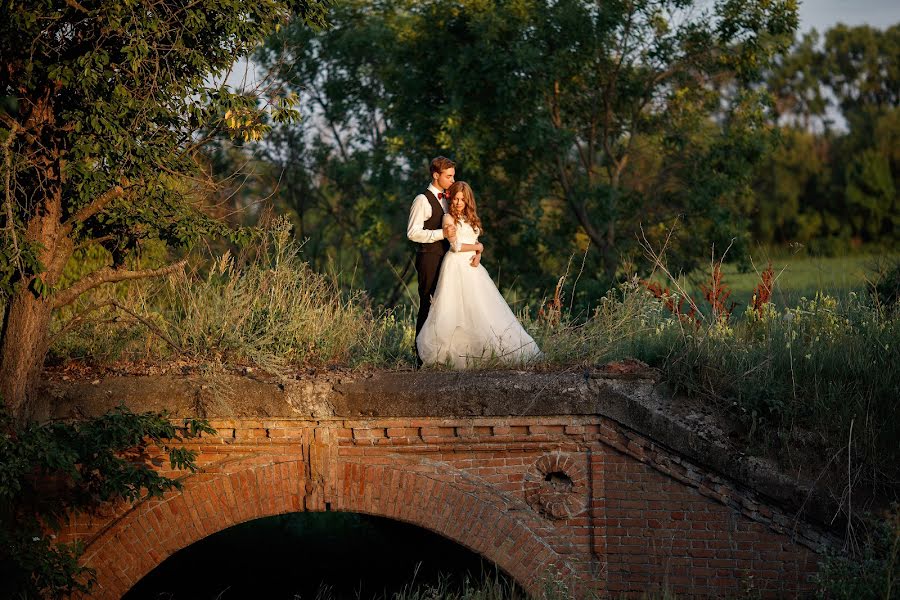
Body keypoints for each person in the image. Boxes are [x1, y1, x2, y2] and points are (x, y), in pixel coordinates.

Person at [416, 181, 541, 368]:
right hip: (456, 265)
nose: (459, 202)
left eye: (462, 200)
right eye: (456, 199)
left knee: (481, 307)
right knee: (456, 307)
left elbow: (473, 240)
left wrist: (479, 253)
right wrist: (478, 247)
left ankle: (486, 348)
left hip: (472, 267)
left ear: (468, 201)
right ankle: (453, 353)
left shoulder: (470, 218)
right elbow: (456, 246)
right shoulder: (448, 218)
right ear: (451, 199)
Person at [407, 156, 456, 367]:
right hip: (428, 257)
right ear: (436, 175)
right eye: (449, 176)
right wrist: (441, 234)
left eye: (453, 176)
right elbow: (412, 233)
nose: (452, 180)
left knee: (444, 305)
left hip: (446, 258)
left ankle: (440, 354)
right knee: (427, 304)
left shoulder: (447, 198)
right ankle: (420, 358)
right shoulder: (422, 200)